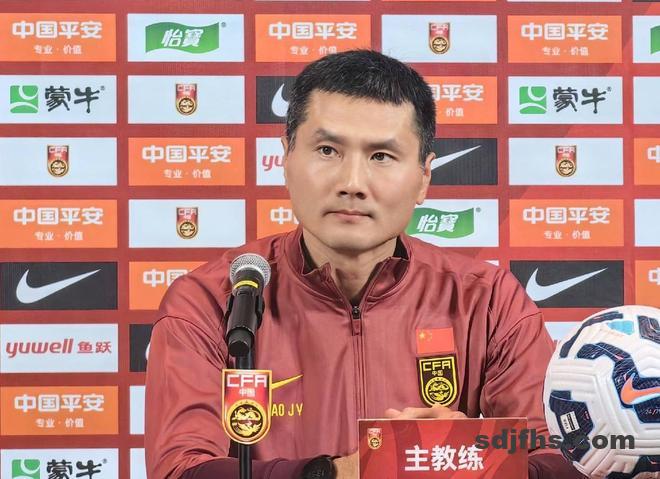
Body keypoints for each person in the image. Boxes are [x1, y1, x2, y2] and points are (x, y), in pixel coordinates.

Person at [145, 49, 585, 479]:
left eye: (381, 156)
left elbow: (564, 458)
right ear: (286, 158)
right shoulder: (210, 300)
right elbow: (181, 469)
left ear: (424, 177)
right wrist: (342, 472)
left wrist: (460, 456)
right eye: (327, 150)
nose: (352, 183)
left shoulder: (486, 299)